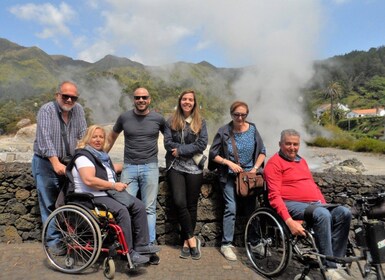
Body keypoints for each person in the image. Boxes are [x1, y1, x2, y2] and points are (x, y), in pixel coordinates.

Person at [264, 129, 352, 280]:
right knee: (322, 214)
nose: (292, 147)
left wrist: (324, 205)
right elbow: (274, 196)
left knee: (344, 212)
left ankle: (335, 262)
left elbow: (314, 187)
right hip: (291, 204)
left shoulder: (301, 161)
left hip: (314, 205)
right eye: (288, 144)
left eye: (295, 144)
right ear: (280, 144)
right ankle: (329, 270)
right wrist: (289, 221)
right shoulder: (274, 164)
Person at [70, 125, 160, 264]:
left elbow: (111, 170)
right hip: (90, 197)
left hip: (105, 193)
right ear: (88, 138)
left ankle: (142, 246)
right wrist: (114, 185)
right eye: (94, 137)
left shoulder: (101, 156)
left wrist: (130, 166)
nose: (98, 140)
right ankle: (128, 253)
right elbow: (89, 180)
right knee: (122, 211)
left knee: (139, 206)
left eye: (101, 137)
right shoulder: (83, 157)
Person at [32, 81, 87, 252]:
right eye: (65, 96)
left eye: (73, 97)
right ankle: (53, 242)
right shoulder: (47, 110)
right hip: (46, 163)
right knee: (49, 203)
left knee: (70, 202)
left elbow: (83, 136)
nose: (69, 100)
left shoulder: (78, 110)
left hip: (69, 163)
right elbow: (45, 139)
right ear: (58, 95)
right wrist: (55, 162)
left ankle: (70, 238)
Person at [107, 87, 165, 245]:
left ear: (149, 99)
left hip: (151, 167)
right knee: (125, 206)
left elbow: (170, 138)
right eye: (138, 97)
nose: (141, 100)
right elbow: (112, 137)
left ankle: (149, 244)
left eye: (144, 97)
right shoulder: (124, 118)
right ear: (133, 99)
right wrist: (101, 157)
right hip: (129, 167)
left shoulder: (158, 119)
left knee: (149, 209)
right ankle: (128, 245)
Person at [209, 101, 266, 261]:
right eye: (236, 114)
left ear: (247, 115)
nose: (240, 118)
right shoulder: (224, 131)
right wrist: (229, 163)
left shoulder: (253, 129)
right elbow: (213, 154)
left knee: (251, 210)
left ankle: (254, 243)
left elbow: (262, 151)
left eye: (243, 115)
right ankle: (226, 244)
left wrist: (255, 168)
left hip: (249, 178)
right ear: (231, 114)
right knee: (231, 208)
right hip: (228, 176)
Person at [164, 89, 208, 260]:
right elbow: (168, 143)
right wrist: (179, 150)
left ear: (194, 103)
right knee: (179, 202)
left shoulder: (201, 122)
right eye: (184, 99)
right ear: (180, 101)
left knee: (191, 205)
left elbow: (202, 144)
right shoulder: (171, 121)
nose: (187, 102)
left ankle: (185, 242)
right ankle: (191, 239)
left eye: (190, 99)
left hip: (195, 168)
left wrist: (181, 150)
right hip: (175, 167)